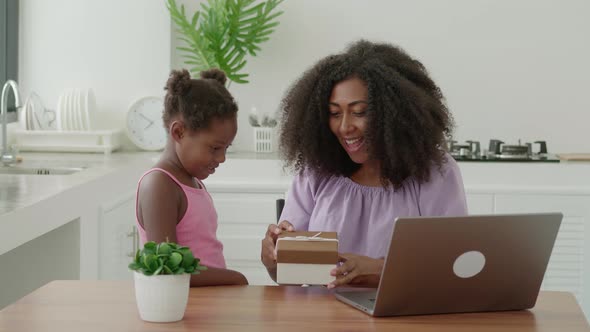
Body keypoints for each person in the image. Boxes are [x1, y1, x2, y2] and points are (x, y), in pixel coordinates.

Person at [261, 40, 468, 289]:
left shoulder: (435, 172)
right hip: (323, 319)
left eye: (359, 112)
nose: (345, 127)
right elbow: (291, 276)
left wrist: (382, 270)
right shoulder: (315, 172)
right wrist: (273, 260)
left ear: (395, 114)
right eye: (335, 113)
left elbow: (452, 266)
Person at [136, 68, 248, 286]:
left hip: (203, 305)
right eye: (215, 148)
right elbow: (167, 268)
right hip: (182, 309)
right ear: (179, 132)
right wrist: (235, 278)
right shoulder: (160, 185)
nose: (222, 158)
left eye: (226, 148)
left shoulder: (192, 180)